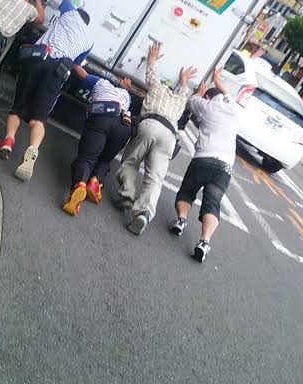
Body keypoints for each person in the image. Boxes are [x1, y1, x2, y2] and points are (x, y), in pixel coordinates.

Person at [0, 0, 93, 182]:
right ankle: (32, 150)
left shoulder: (69, 14)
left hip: (39, 59)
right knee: (38, 118)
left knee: (17, 107)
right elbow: (76, 64)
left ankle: (8, 141)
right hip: (59, 71)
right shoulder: (89, 41)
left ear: (77, 13)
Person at [115, 42, 197, 236]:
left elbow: (151, 74)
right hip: (169, 136)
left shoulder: (157, 88)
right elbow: (184, 90)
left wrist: (152, 60)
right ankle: (144, 213)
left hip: (151, 124)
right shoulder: (180, 100)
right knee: (155, 178)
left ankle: (127, 194)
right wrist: (184, 80)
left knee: (131, 161)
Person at [170, 69, 241, 263]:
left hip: (203, 159)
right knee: (212, 203)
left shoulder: (206, 106)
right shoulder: (234, 109)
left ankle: (181, 220)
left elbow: (191, 101)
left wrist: (200, 93)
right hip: (225, 166)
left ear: (208, 97)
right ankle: (204, 241)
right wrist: (217, 80)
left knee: (187, 192)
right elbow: (227, 94)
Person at [63, 76, 133, 216]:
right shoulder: (127, 96)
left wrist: (74, 65)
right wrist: (125, 87)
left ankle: (80, 184)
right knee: (105, 160)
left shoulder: (101, 82)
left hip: (102, 116)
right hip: (124, 125)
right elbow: (124, 89)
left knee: (87, 157)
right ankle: (95, 181)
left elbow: (82, 74)